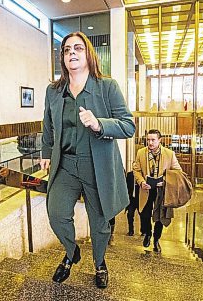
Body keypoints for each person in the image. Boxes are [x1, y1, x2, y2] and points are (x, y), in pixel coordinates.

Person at [40, 31, 135, 289]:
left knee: (100, 223)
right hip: (66, 165)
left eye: (78, 48)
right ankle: (72, 253)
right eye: (67, 49)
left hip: (97, 166)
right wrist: (46, 153)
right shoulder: (54, 91)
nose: (72, 52)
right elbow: (47, 126)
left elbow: (128, 126)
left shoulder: (107, 86)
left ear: (88, 53)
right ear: (62, 57)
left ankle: (100, 262)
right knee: (56, 214)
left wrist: (99, 124)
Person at [132, 129, 181, 253]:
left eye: (153, 140)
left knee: (160, 216)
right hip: (145, 189)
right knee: (144, 214)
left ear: (160, 140)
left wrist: (165, 181)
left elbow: (177, 171)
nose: (150, 142)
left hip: (161, 191)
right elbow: (136, 170)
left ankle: (157, 239)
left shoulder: (169, 154)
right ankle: (147, 233)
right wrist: (141, 181)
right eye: (148, 140)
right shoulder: (141, 153)